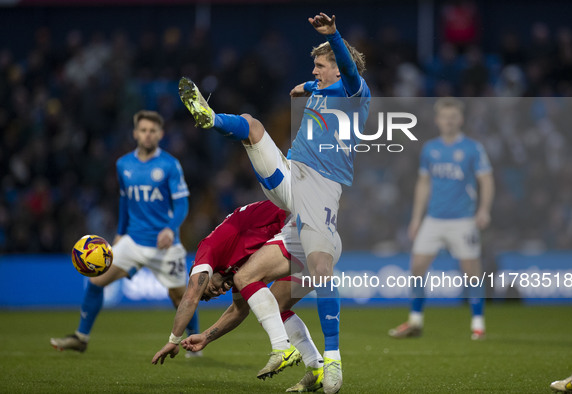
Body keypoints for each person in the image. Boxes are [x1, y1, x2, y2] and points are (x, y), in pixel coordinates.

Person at [178, 13, 370, 393]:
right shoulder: (320, 90)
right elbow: (315, 85)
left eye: (319, 65)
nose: (314, 70)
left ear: (335, 65)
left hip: (319, 193)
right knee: (252, 127)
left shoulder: (356, 94)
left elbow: (347, 72)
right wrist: (304, 87)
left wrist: (334, 37)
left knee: (317, 271)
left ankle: (329, 363)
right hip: (292, 179)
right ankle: (211, 118)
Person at [50, 110, 199, 354]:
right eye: (143, 130)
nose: (148, 135)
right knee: (96, 281)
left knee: (180, 298)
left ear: (160, 134)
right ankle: (81, 337)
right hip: (133, 240)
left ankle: (194, 338)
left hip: (164, 245)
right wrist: (120, 234)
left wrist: (171, 230)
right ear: (135, 133)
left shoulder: (170, 164)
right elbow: (125, 202)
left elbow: (181, 203)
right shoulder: (123, 164)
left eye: (152, 131)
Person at [151, 200, 325, 392]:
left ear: (203, 272)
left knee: (246, 280)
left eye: (210, 290)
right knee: (276, 306)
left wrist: (173, 340)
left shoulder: (208, 249)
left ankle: (281, 348)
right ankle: (316, 367)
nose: (220, 292)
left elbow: (191, 296)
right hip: (315, 238)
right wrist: (206, 338)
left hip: (299, 220)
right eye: (216, 295)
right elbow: (238, 311)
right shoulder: (236, 271)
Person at [389, 97, 494, 340]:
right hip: (434, 219)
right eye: (445, 117)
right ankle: (415, 321)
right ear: (438, 120)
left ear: (461, 119)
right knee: (417, 267)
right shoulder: (430, 149)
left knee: (472, 272)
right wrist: (416, 218)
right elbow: (424, 183)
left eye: (453, 117)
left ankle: (478, 324)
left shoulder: (472, 148)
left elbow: (486, 180)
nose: (449, 121)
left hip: (463, 220)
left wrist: (484, 210)